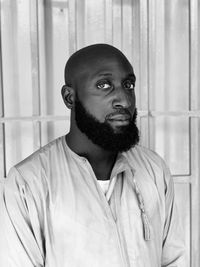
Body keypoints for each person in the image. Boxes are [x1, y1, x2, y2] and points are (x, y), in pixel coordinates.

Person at [0, 44, 185, 266]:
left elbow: (175, 260)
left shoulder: (154, 170)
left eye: (128, 85)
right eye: (104, 85)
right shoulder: (28, 183)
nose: (125, 101)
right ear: (70, 97)